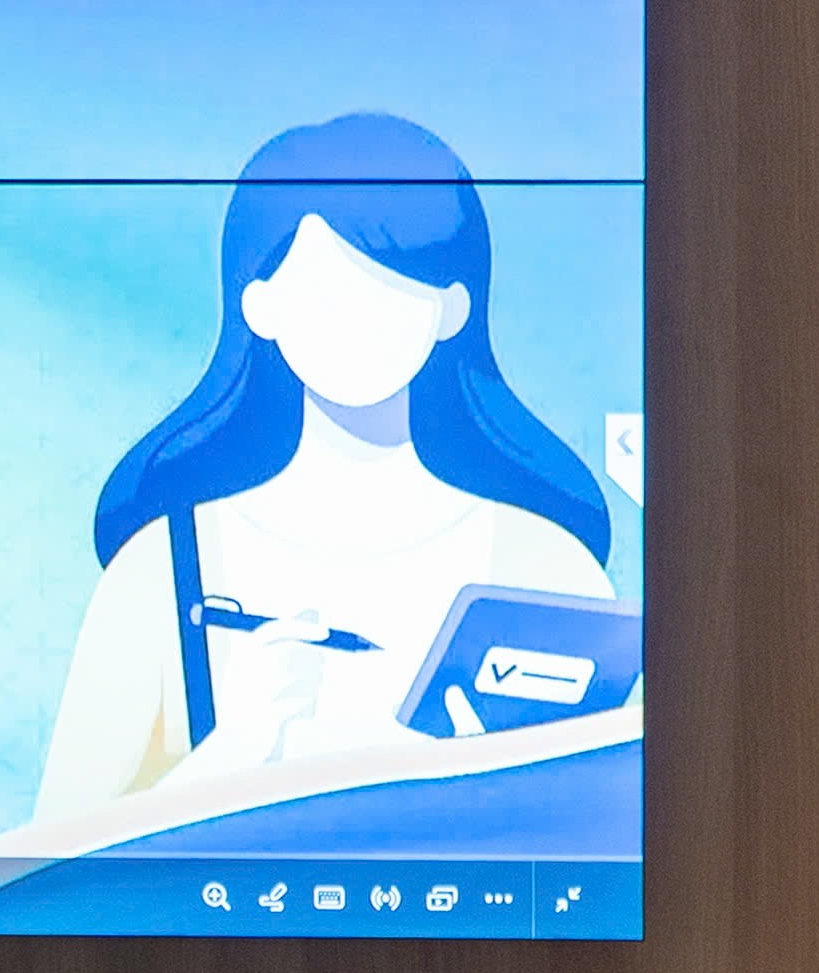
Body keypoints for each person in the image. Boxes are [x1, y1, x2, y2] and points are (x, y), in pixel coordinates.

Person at [33, 113, 618, 821]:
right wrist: (234, 749)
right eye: (325, 288)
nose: (357, 318)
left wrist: (484, 789)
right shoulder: (162, 569)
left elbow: (614, 830)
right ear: (259, 305)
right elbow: (50, 853)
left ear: (452, 308)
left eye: (392, 283)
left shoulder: (552, 568)